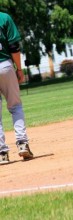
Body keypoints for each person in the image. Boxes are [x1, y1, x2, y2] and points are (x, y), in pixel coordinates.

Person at [0, 11, 33, 164]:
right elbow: (14, 46)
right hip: (5, 66)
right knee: (15, 106)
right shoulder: (4, 18)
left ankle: (2, 153)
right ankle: (22, 144)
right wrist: (19, 69)